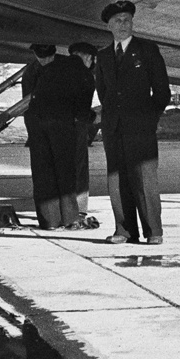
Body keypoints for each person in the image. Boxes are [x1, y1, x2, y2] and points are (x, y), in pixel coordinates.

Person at [92, 0, 169, 244]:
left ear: (132, 22)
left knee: (144, 179)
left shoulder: (147, 49)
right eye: (117, 21)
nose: (122, 24)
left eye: (126, 19)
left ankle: (153, 232)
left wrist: (149, 118)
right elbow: (103, 91)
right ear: (109, 26)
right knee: (117, 179)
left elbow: (162, 91)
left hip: (140, 127)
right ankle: (124, 230)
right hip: (114, 127)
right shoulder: (103, 55)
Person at [22, 44, 93, 230]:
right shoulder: (82, 72)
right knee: (65, 173)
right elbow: (82, 107)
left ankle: (50, 221)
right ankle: (70, 219)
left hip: (39, 127)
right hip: (61, 127)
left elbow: (31, 101)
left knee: (43, 174)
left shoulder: (40, 69)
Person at [68, 41, 101, 227]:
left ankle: (64, 208)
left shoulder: (61, 73)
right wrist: (94, 117)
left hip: (60, 128)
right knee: (79, 169)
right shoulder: (86, 77)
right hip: (76, 126)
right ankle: (79, 210)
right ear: (88, 58)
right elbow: (81, 108)